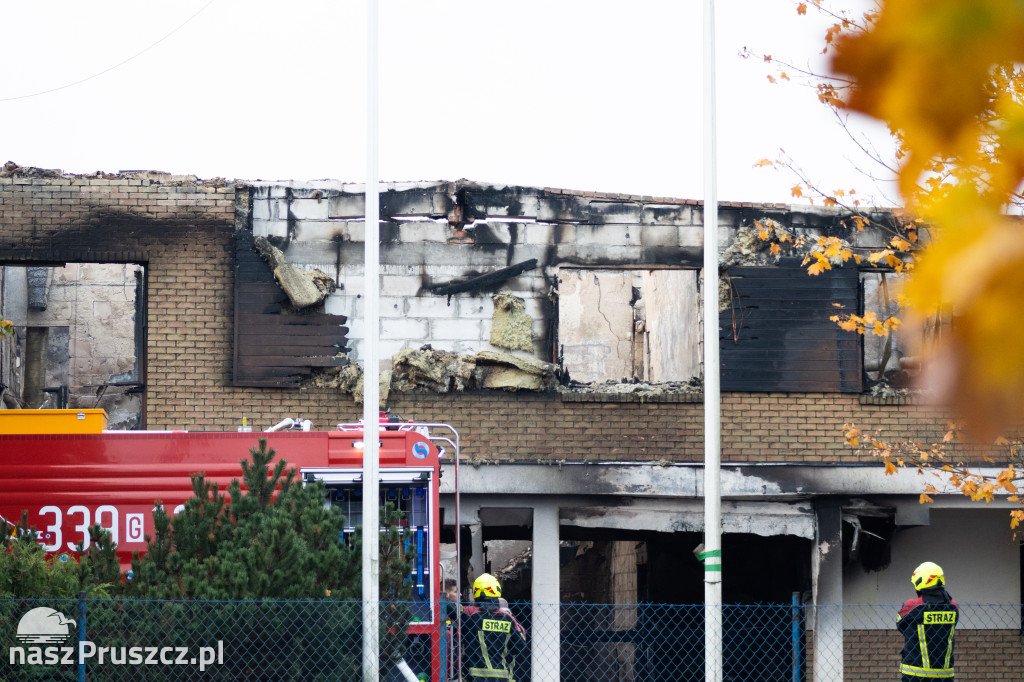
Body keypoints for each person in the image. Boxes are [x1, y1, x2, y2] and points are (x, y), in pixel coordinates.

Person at [897, 561, 959, 681]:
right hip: (944, 674)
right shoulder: (953, 606)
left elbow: (900, 625)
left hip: (915, 673)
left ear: (920, 580)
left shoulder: (913, 605)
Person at [461, 573, 527, 681]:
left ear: (476, 593)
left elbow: (463, 636)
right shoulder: (508, 618)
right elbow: (520, 644)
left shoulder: (473, 619)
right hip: (503, 675)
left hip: (476, 677)